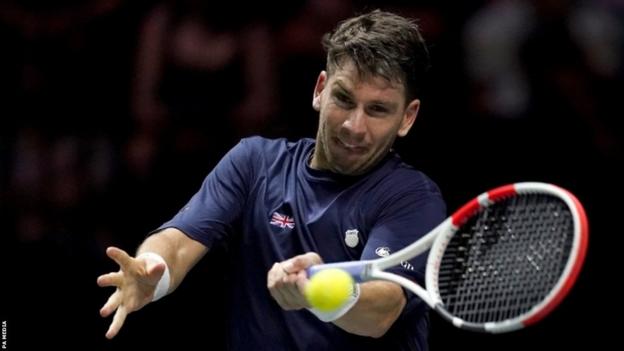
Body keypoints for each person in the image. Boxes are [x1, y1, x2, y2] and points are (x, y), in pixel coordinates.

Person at [98, 9, 446, 350]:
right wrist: (153, 269)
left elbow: (383, 309)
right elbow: (178, 241)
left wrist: (321, 288)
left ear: (407, 117)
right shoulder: (255, 163)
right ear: (320, 90)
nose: (354, 126)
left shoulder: (412, 198)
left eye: (377, 110)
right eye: (343, 98)